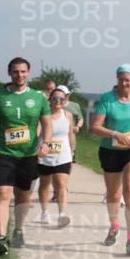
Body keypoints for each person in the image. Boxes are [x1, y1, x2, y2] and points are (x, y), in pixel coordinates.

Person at [0, 57, 52, 255]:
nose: (19, 75)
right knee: (3, 193)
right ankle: (1, 238)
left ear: (28, 73)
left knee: (23, 195)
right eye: (15, 71)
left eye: (22, 71)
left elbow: (47, 124)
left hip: (28, 154)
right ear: (9, 73)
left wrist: (45, 143)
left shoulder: (39, 98)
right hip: (3, 153)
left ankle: (18, 229)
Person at [89, 64, 130, 257]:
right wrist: (115, 134)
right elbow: (95, 127)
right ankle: (114, 226)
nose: (124, 83)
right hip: (110, 149)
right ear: (116, 80)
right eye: (120, 79)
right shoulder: (107, 99)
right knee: (113, 194)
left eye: (127, 79)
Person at [37, 88, 75, 228]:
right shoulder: (43, 116)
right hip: (44, 155)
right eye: (54, 98)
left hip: (63, 156)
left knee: (61, 183)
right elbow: (37, 134)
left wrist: (73, 150)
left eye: (61, 99)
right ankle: (45, 211)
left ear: (65, 100)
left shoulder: (68, 115)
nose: (58, 101)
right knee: (45, 184)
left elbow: (70, 134)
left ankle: (62, 214)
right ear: (50, 100)